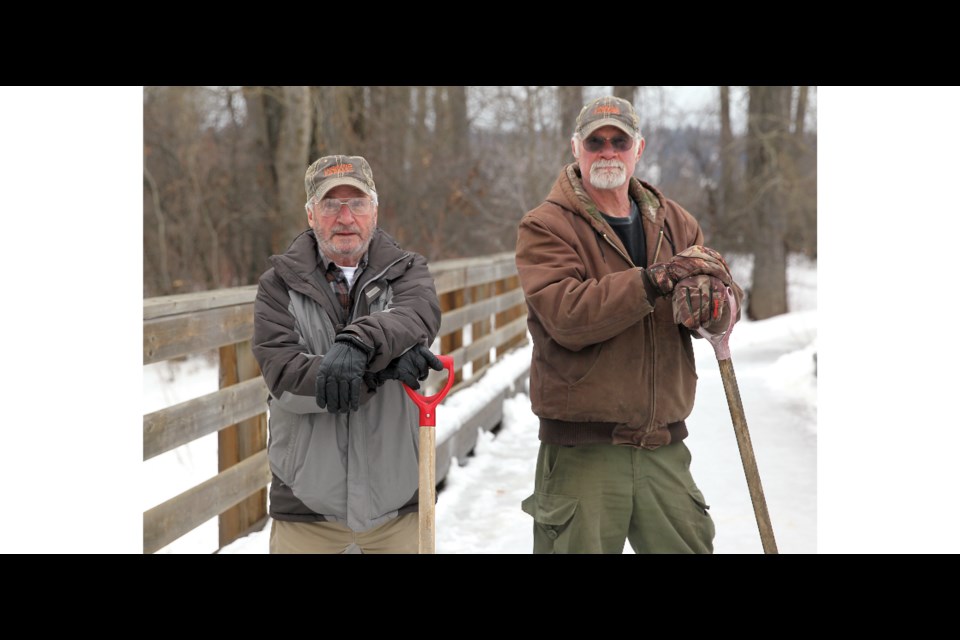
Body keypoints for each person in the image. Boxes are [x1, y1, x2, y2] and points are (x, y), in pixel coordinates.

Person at [515, 96, 743, 554]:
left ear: (639, 148)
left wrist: (716, 302)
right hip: (584, 453)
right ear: (575, 147)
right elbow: (567, 315)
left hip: (664, 447)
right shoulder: (546, 226)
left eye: (619, 140)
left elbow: (715, 313)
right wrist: (654, 279)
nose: (607, 151)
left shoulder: (676, 222)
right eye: (595, 141)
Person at [252, 154, 443, 554]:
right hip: (306, 509)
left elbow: (416, 316)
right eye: (330, 204)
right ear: (310, 214)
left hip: (398, 507)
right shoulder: (277, 287)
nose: (344, 217)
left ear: (374, 209)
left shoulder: (408, 272)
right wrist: (379, 370)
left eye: (356, 202)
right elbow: (285, 378)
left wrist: (357, 343)